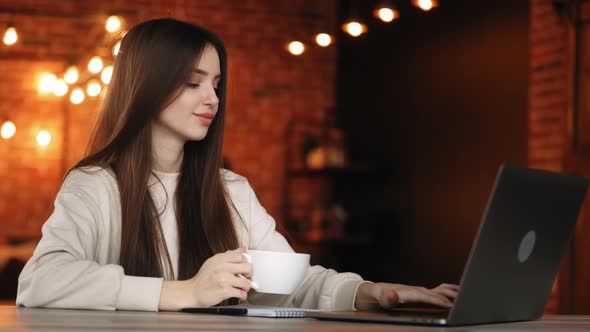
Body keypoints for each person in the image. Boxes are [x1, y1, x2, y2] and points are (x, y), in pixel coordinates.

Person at [16, 18, 458, 312]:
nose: (213, 99)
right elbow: (40, 282)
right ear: (145, 89)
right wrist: (186, 291)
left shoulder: (230, 189)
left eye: (216, 84)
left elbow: (293, 282)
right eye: (193, 82)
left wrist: (370, 292)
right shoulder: (94, 184)